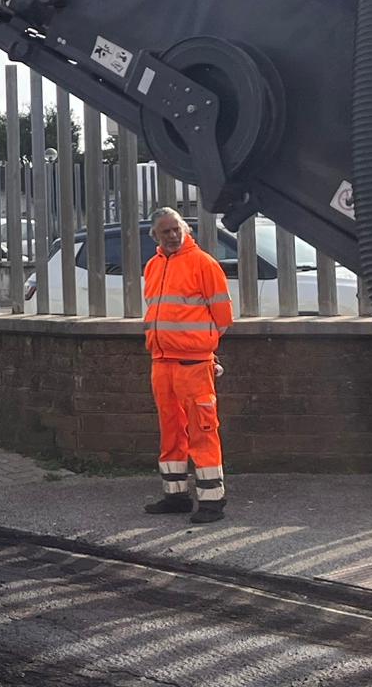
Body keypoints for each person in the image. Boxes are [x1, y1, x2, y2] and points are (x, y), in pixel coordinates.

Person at [141, 206, 233, 524]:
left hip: (192, 363)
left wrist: (204, 349)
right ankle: (176, 495)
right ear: (155, 235)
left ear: (186, 229)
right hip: (162, 361)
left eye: (176, 228)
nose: (172, 234)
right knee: (171, 430)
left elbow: (223, 318)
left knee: (203, 429)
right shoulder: (153, 266)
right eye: (165, 230)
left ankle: (212, 501)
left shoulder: (203, 263)